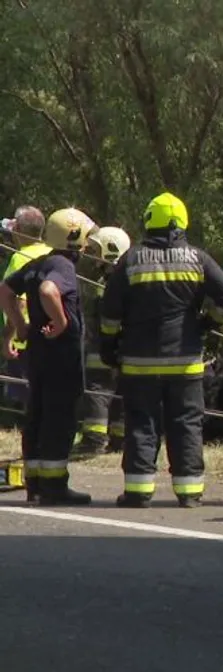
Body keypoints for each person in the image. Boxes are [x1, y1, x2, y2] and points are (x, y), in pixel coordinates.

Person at [100, 192, 223, 508]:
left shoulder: (131, 260)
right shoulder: (197, 258)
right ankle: (189, 492)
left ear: (150, 221)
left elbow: (110, 312)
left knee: (142, 424)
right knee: (186, 423)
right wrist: (207, 323)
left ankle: (138, 491)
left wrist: (109, 345)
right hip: (186, 363)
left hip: (139, 363)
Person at [0, 208, 97, 505]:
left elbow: (5, 291)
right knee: (59, 419)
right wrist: (62, 321)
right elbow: (48, 290)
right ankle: (55, 487)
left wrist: (18, 328)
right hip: (60, 357)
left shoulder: (38, 262)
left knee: (38, 417)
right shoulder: (62, 265)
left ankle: (36, 484)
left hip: (39, 356)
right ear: (74, 238)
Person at [74, 226, 132, 457]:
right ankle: (119, 439)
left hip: (103, 347)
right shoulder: (124, 278)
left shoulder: (110, 283)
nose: (92, 253)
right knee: (119, 393)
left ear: (111, 251)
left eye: (97, 249)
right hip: (123, 349)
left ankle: (94, 439)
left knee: (97, 391)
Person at [1, 206, 50, 408]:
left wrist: (9, 337)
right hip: (50, 334)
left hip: (24, 339)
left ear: (19, 230)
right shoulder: (51, 251)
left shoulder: (20, 257)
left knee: (28, 396)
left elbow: (17, 300)